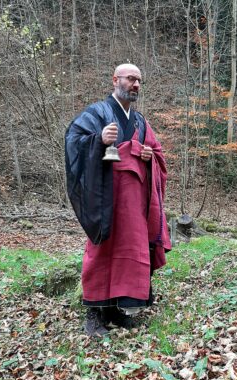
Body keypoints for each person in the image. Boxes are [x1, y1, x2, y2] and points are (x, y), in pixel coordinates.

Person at [65, 64, 171, 337]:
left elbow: (158, 155)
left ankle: (115, 311)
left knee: (129, 253)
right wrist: (98, 139)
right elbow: (74, 140)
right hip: (106, 198)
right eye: (130, 79)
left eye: (139, 80)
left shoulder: (140, 121)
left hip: (134, 203)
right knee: (101, 251)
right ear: (115, 80)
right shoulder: (97, 113)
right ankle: (93, 314)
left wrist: (148, 156)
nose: (135, 84)